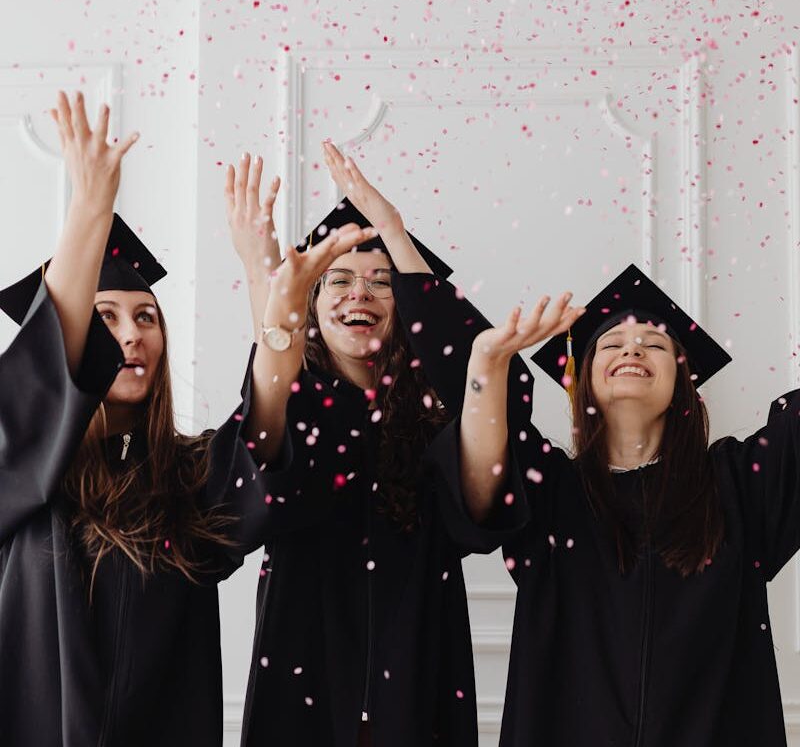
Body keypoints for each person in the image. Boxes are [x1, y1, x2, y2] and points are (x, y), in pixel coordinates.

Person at [0, 91, 374, 747]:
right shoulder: (22, 476)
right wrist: (90, 208)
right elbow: (32, 399)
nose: (129, 336)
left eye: (146, 317)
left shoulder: (190, 475)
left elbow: (264, 427)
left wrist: (275, 303)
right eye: (105, 317)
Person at [223, 140, 581, 747]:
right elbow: (266, 408)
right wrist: (262, 269)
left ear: (409, 309)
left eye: (381, 281)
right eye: (337, 279)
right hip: (304, 650)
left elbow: (493, 433)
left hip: (420, 657)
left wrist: (392, 228)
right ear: (311, 306)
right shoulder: (298, 405)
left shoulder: (438, 421)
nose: (358, 292)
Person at [432, 261, 800, 746]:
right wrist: (485, 357)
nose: (632, 347)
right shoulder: (547, 490)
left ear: (682, 380)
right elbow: (480, 427)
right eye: (611, 343)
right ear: (582, 377)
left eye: (654, 344)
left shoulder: (738, 487)